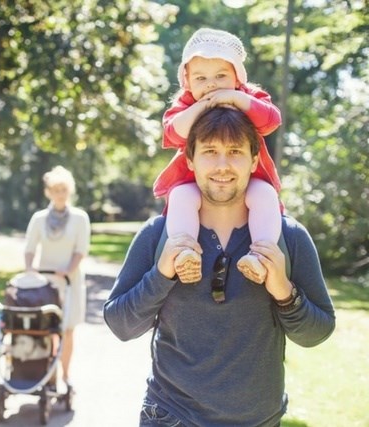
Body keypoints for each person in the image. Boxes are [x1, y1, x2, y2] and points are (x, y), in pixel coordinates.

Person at [104, 108, 335, 426]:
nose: (222, 166)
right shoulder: (158, 234)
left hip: (258, 419)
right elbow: (121, 325)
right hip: (171, 415)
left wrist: (284, 291)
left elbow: (317, 333)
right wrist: (160, 275)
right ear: (190, 159)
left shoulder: (288, 237)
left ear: (254, 161)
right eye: (210, 152)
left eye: (235, 152)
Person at [153, 28, 283, 285]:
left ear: (237, 77)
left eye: (221, 76)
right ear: (187, 81)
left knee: (265, 196)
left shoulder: (247, 97)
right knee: (181, 197)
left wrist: (236, 98)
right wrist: (203, 106)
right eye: (200, 78)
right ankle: (185, 253)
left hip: (247, 176)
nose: (211, 85)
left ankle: (260, 257)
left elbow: (272, 120)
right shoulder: (186, 105)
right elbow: (172, 133)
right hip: (195, 178)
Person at [24, 165, 91, 389]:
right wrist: (29, 268)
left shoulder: (80, 218)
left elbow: (81, 250)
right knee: (48, 330)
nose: (59, 194)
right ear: (49, 192)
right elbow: (30, 248)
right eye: (55, 190)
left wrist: (68, 268)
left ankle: (65, 374)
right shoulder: (39, 218)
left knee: (67, 330)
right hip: (45, 284)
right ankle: (48, 374)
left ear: (69, 191)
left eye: (63, 189)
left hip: (70, 281)